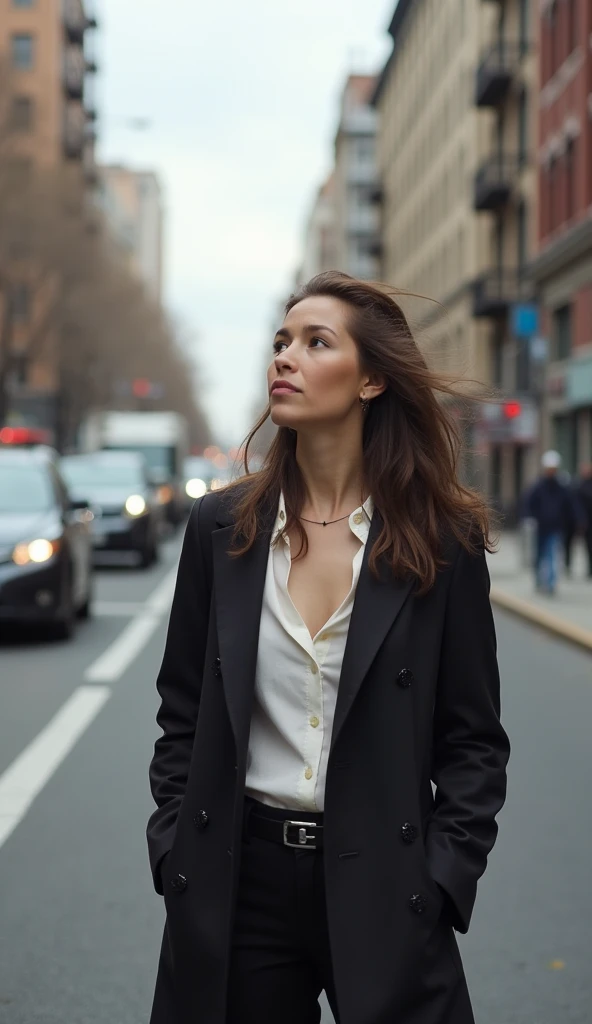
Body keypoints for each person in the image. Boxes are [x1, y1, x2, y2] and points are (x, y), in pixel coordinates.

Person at [147, 272, 510, 1024]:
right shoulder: (221, 530)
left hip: (387, 882)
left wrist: (441, 879)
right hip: (237, 883)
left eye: (316, 343)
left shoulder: (442, 543)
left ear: (372, 378)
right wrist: (173, 850)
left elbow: (473, 741)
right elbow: (181, 711)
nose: (286, 357)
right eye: (282, 342)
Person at [526, 450, 577, 594]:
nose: (551, 472)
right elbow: (529, 504)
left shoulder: (562, 487)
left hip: (555, 527)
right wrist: (530, 518)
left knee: (552, 555)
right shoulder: (538, 487)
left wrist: (577, 520)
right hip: (540, 527)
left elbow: (570, 505)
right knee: (539, 555)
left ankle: (550, 583)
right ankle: (538, 580)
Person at [575, 462, 592, 577]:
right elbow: (577, 505)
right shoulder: (580, 486)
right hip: (586, 522)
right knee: (588, 546)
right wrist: (581, 520)